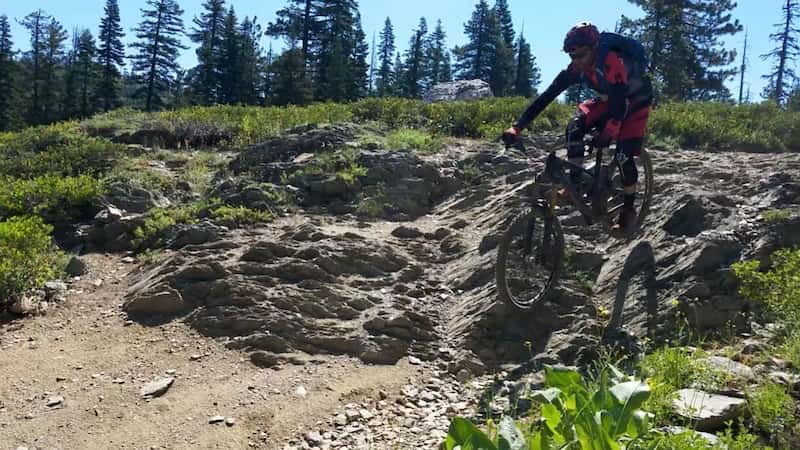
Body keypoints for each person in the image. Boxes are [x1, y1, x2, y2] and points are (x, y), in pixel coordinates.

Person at [502, 21, 653, 232]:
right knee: (576, 126)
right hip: (610, 100)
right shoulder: (576, 68)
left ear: (594, 49)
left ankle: (628, 209)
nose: (576, 61)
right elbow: (548, 95)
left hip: (635, 102)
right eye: (571, 56)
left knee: (623, 155)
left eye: (580, 55)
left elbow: (621, 104)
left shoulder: (610, 61)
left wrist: (610, 131)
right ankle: (574, 183)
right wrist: (517, 127)